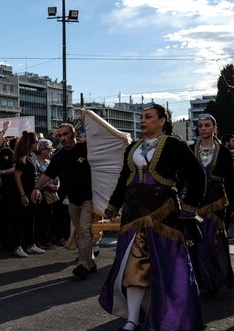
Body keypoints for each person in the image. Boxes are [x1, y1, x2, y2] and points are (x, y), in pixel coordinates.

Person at [99, 103, 205, 331]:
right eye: (141, 117)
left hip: (163, 214)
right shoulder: (133, 147)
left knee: (167, 265)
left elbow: (196, 175)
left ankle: (173, 316)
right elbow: (124, 179)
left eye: (148, 117)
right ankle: (132, 319)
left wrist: (189, 206)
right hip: (133, 214)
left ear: (162, 120)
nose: (143, 120)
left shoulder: (174, 145)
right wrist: (113, 205)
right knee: (133, 263)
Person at [33, 123, 95, 279]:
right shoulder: (59, 156)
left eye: (66, 134)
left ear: (73, 135)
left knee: (85, 230)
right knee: (80, 233)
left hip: (89, 198)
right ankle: (91, 261)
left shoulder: (85, 149)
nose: (63, 138)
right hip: (72, 200)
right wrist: (36, 188)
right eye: (60, 136)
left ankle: (83, 265)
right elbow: (47, 174)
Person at [188, 113, 234, 293]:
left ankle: (216, 279)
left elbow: (231, 181)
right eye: (200, 126)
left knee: (213, 242)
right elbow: (185, 177)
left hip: (217, 204)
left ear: (214, 128)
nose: (203, 129)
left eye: (207, 125)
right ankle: (203, 282)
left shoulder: (223, 152)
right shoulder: (192, 150)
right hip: (196, 205)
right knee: (197, 243)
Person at [13, 131, 46, 256]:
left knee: (31, 220)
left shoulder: (31, 157)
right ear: (31, 143)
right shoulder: (23, 158)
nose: (38, 143)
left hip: (32, 194)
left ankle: (30, 244)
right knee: (20, 221)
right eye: (36, 141)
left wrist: (37, 190)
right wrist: (22, 194)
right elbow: (17, 176)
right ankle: (17, 246)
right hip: (24, 194)